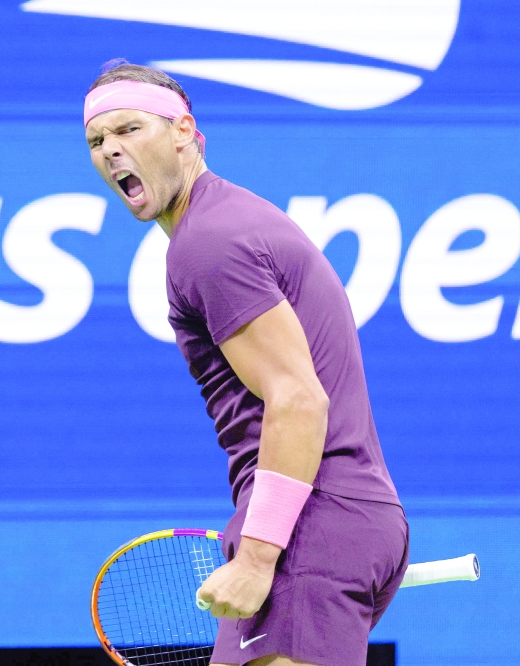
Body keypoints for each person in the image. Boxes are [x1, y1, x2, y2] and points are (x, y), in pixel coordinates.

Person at [83, 59, 409, 666]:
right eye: (98, 140)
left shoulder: (208, 243)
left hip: (308, 526)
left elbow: (298, 399)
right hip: (327, 520)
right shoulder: (228, 222)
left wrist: (259, 556)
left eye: (130, 129)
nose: (111, 151)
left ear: (184, 131)